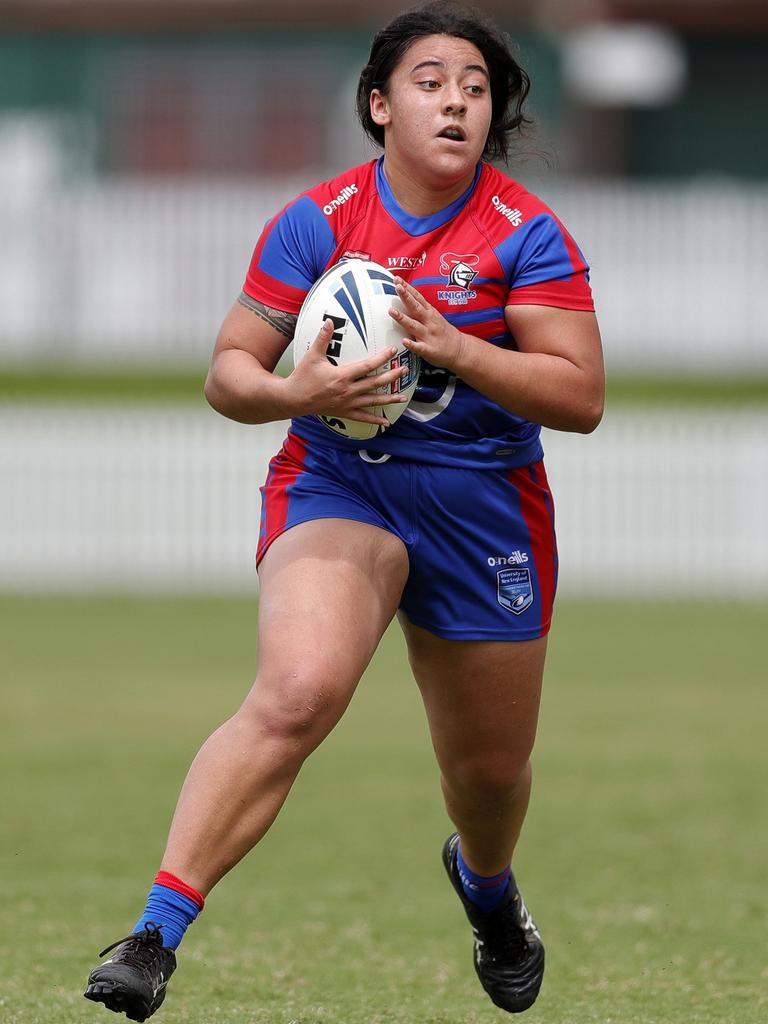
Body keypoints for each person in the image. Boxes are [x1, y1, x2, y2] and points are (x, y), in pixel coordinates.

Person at [83, 1, 604, 1019]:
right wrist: (295, 394)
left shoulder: (526, 233)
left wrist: (456, 348)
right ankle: (152, 935)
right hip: (341, 480)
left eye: (476, 88)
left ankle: (490, 892)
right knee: (298, 691)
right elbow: (231, 372)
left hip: (482, 503)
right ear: (378, 105)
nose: (457, 101)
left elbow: (579, 396)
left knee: (489, 776)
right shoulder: (317, 221)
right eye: (430, 82)